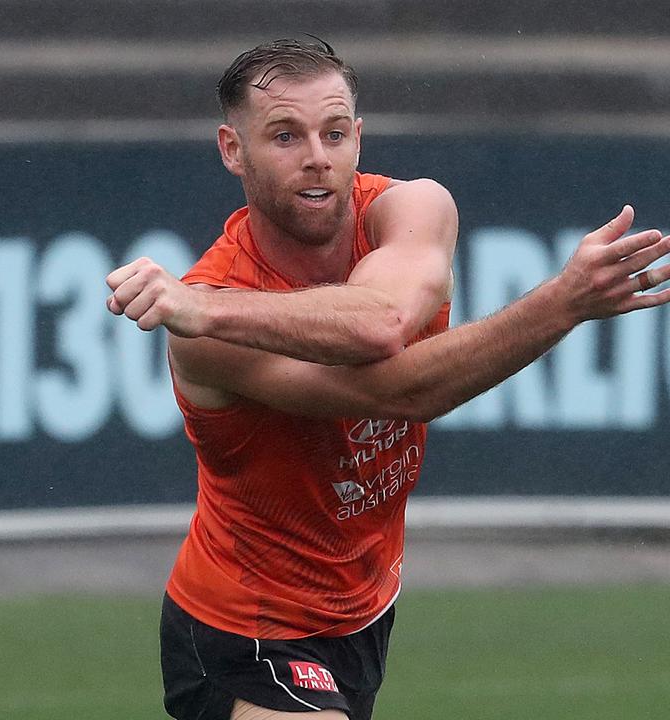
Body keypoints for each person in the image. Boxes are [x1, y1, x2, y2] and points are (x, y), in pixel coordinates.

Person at [105, 38, 670, 720]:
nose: (317, 155)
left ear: (358, 138)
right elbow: (398, 390)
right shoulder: (206, 333)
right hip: (244, 625)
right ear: (233, 150)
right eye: (285, 135)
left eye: (334, 132)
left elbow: (382, 321)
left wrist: (204, 305)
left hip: (364, 612)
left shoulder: (412, 210)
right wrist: (562, 303)